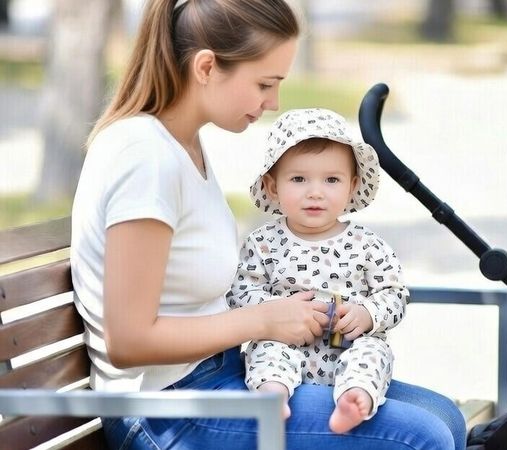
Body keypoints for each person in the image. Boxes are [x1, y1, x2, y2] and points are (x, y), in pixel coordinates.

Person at [70, 0, 466, 449]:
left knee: (446, 417)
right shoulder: (144, 157)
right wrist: (262, 319)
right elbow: (129, 341)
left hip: (213, 375)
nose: (273, 102)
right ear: (206, 67)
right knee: (422, 438)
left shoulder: (180, 146)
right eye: (264, 83)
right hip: (163, 409)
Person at [227, 108, 407, 434]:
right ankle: (272, 395)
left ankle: (355, 397)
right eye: (298, 179)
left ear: (352, 186)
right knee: (267, 352)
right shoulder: (263, 243)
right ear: (272, 186)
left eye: (331, 180)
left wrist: (367, 313)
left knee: (373, 352)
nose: (315, 192)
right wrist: (275, 311)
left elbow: (394, 293)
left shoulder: (367, 244)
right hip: (285, 342)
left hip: (348, 344)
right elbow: (241, 291)